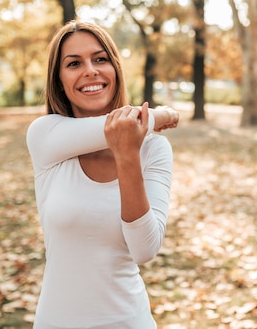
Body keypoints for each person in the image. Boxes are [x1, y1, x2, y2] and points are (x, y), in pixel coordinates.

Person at [26, 20, 179, 329]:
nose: (90, 71)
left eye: (100, 59)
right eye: (73, 63)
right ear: (59, 79)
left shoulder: (154, 150)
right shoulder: (46, 136)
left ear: (115, 68)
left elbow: (144, 249)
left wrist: (127, 157)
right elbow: (115, 128)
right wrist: (158, 115)